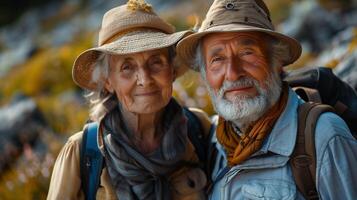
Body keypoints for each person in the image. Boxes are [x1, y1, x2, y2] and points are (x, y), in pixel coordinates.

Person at [176, 0, 357, 199]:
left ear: (277, 61)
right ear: (205, 75)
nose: (233, 73)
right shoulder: (212, 142)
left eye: (247, 53)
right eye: (217, 59)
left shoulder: (323, 137)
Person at [47, 1, 211, 199]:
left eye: (156, 62)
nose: (145, 79)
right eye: (127, 67)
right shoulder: (82, 152)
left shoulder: (197, 129)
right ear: (108, 81)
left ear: (172, 70)